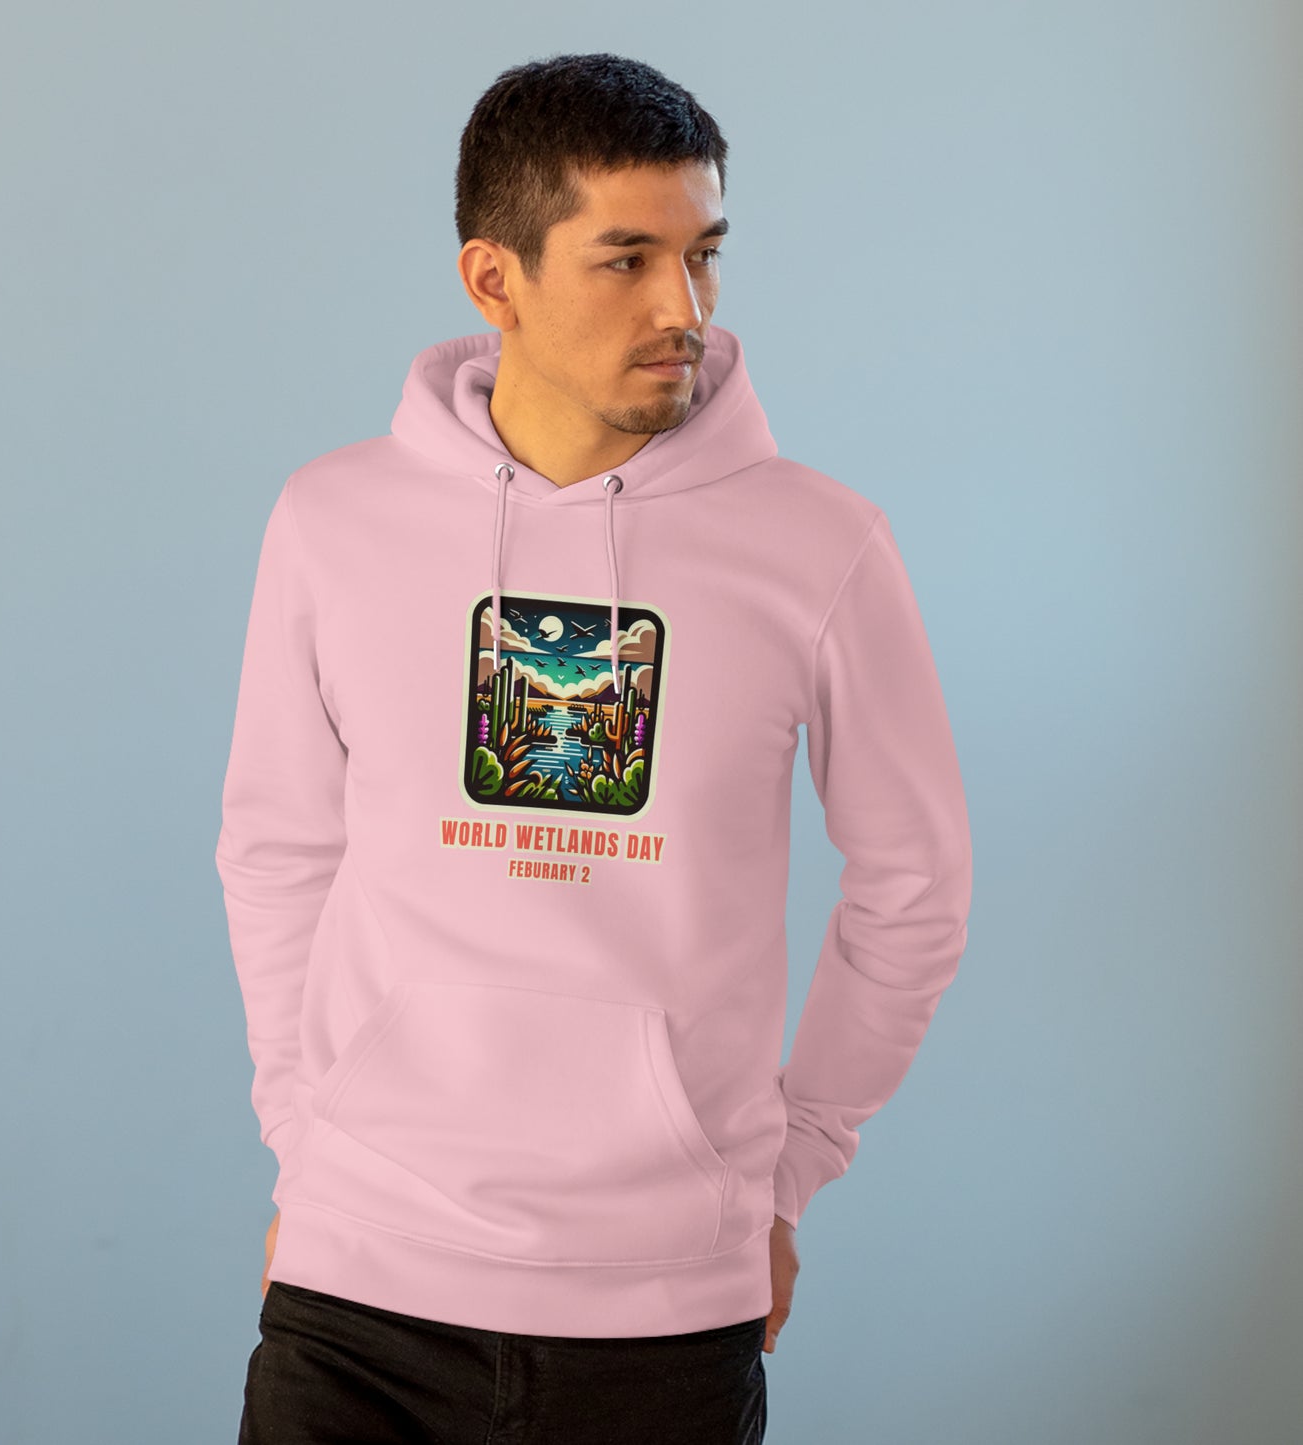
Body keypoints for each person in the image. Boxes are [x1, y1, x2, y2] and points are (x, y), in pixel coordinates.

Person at [215, 50, 972, 1445]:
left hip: (663, 1307)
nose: (683, 306)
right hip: (358, 1290)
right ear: (493, 280)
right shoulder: (333, 521)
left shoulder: (819, 545)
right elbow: (276, 849)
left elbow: (915, 885)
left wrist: (787, 1173)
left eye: (704, 254)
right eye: (627, 259)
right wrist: (304, 1147)